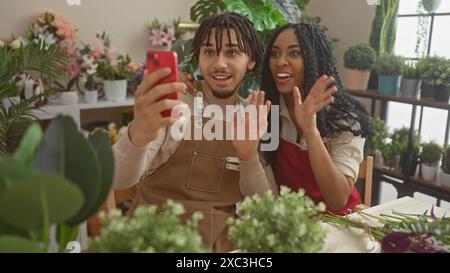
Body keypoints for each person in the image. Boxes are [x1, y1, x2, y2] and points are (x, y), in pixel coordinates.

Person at [112, 12, 277, 252]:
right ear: (198, 58)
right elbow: (119, 179)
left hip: (221, 245)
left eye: (232, 53)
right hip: (153, 239)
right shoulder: (176, 105)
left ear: (250, 60)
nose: (219, 63)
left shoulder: (255, 116)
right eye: (209, 52)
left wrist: (249, 156)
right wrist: (138, 134)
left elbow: (265, 206)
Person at [260, 23, 371, 215]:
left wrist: (311, 132)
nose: (280, 62)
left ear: (314, 59)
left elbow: (338, 199)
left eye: (294, 53)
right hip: (294, 223)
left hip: (341, 223)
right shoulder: (268, 111)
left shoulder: (343, 119)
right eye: (275, 54)